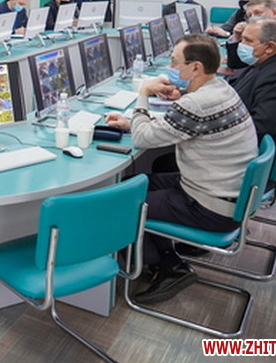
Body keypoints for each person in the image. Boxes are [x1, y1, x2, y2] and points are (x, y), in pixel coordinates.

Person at [105, 34, 257, 303]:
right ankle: (166, 259)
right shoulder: (220, 88)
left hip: (210, 206)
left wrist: (143, 95)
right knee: (136, 181)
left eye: (175, 62)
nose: (171, 68)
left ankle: (166, 267)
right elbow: (185, 121)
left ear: (195, 67)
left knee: (121, 201)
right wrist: (135, 121)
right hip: (225, 193)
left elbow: (142, 139)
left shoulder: (196, 104)